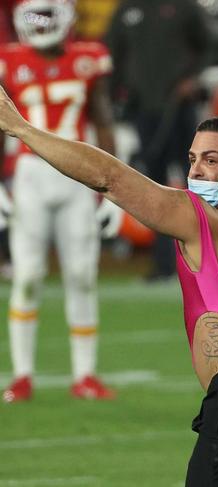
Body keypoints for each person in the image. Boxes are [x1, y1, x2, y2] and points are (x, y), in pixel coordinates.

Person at [0, 33, 218, 485]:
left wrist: (21, 129)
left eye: (211, 160)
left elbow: (108, 177)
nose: (195, 170)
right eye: (193, 158)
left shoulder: (197, 218)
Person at [1, 0, 116, 402]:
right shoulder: (9, 60)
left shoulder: (89, 57)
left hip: (77, 175)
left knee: (82, 275)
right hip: (30, 175)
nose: (42, 24)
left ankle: (85, 374)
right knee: (28, 276)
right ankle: (21, 375)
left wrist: (115, 191)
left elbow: (102, 118)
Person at [104, 0, 211, 282]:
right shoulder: (127, 10)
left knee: (199, 180)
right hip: (143, 107)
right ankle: (164, 264)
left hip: (179, 105)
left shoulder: (184, 6)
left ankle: (209, 261)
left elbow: (207, 44)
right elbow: (113, 54)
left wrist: (192, 78)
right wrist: (113, 96)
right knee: (153, 186)